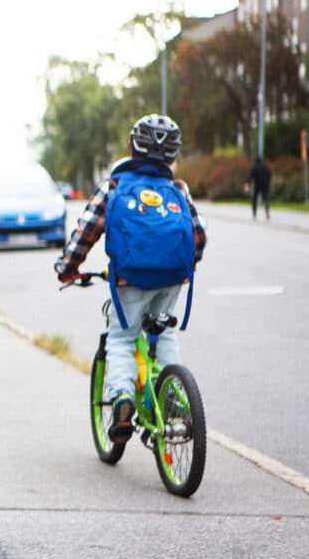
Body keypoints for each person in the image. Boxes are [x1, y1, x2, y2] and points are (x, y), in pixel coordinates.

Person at [54, 114, 207, 446]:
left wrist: (67, 268)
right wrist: (185, 265)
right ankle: (173, 403)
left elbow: (85, 234)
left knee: (122, 339)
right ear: (173, 156)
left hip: (130, 281)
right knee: (165, 337)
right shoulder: (178, 189)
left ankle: (122, 400)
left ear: (131, 147)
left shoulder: (114, 188)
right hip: (172, 280)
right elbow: (199, 236)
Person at [245, 156, 272, 221]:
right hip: (265, 185)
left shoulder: (255, 168)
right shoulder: (266, 168)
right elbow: (269, 175)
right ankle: (267, 211)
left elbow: (250, 176)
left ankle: (254, 214)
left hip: (257, 186)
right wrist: (268, 183)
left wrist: (247, 184)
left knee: (254, 199)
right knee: (266, 199)